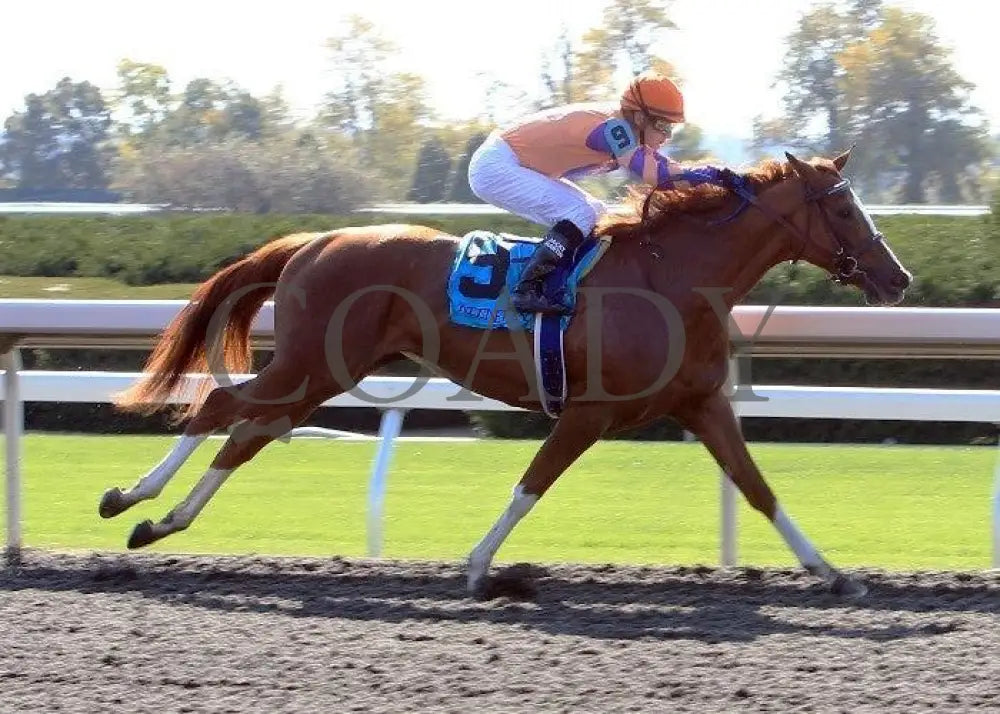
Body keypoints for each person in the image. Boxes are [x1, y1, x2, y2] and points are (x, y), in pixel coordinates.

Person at [467, 69, 741, 315]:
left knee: (597, 214)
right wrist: (714, 175)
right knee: (579, 213)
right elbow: (654, 175)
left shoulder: (625, 127)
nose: (667, 136)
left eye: (672, 129)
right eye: (663, 126)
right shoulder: (614, 128)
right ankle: (527, 289)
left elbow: (667, 170)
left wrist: (715, 175)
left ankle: (563, 282)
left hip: (512, 162)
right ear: (638, 116)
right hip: (496, 165)